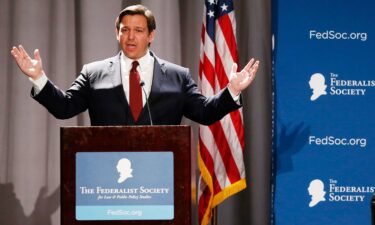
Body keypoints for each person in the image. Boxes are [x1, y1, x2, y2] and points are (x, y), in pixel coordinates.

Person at [10, 4, 259, 126]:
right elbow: (64, 108)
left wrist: (232, 90)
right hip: (107, 179)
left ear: (151, 35)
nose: (130, 37)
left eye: (138, 30)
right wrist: (39, 77)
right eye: (125, 30)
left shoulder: (177, 76)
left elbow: (205, 113)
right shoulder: (93, 73)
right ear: (116, 33)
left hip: (160, 177)